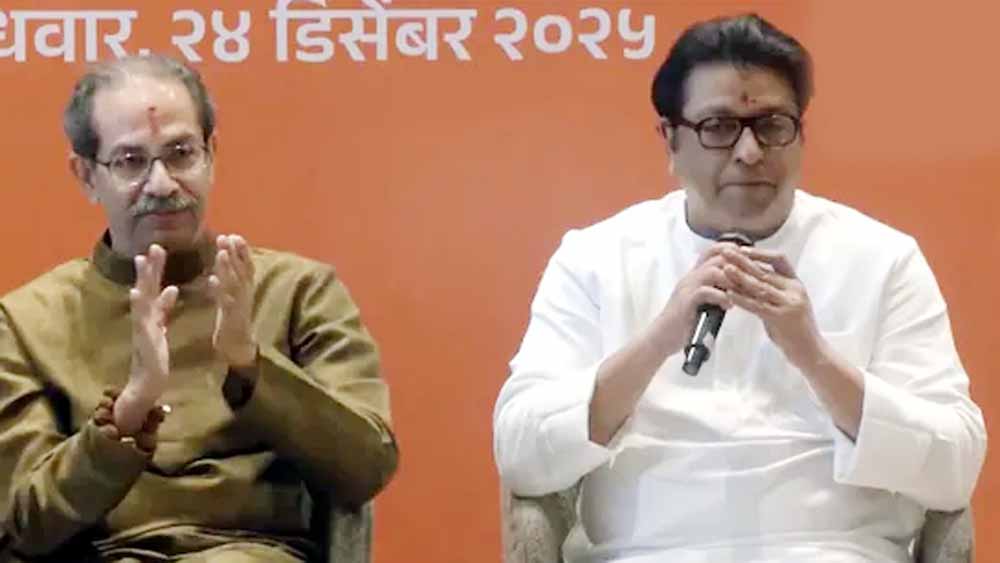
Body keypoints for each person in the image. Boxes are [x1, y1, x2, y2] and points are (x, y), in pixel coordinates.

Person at [493, 13, 986, 563]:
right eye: (719, 126)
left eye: (772, 124)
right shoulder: (595, 258)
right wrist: (657, 339)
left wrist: (816, 357)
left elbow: (955, 466)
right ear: (670, 140)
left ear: (801, 135)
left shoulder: (883, 258)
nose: (749, 151)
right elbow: (520, 454)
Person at [0, 54, 397, 562]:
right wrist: (126, 416)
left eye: (181, 154)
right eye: (131, 161)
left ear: (211, 155)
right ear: (86, 176)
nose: (162, 184)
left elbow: (367, 468)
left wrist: (249, 366)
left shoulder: (297, 291)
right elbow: (21, 526)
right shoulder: (26, 322)